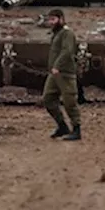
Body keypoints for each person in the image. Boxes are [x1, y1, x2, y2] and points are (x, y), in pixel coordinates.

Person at [43, 9, 81, 140]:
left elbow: (67, 51)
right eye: (50, 19)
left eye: (53, 19)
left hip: (65, 72)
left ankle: (76, 129)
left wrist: (57, 66)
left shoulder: (67, 33)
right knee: (48, 99)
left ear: (61, 19)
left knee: (69, 101)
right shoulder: (57, 34)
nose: (51, 22)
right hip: (54, 73)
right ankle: (62, 126)